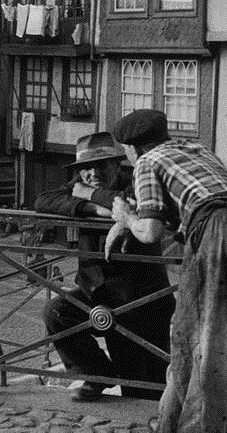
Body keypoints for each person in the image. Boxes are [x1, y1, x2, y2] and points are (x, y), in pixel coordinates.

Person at [107, 109, 227, 433]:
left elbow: (150, 232)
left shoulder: (147, 162)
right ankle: (169, 424)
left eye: (125, 152)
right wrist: (131, 220)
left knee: (203, 349)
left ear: (133, 148)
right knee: (185, 339)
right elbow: (185, 207)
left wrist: (125, 219)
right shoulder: (195, 149)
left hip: (217, 234)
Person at [35, 132, 174, 402]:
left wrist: (91, 195)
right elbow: (44, 200)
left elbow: (130, 203)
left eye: (101, 165)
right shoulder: (79, 185)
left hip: (140, 301)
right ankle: (97, 374)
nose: (94, 173)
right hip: (95, 293)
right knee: (57, 312)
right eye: (86, 168)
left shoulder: (138, 181)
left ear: (116, 165)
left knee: (143, 391)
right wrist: (94, 208)